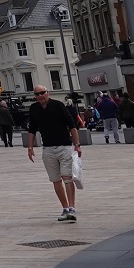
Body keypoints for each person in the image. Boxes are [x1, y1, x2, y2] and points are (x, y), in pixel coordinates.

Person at [25, 85, 82, 222]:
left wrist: (77, 145)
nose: (40, 96)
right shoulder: (34, 108)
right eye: (37, 94)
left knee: (67, 177)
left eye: (42, 93)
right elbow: (32, 128)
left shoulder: (58, 105)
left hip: (64, 146)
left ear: (47, 93)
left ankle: (72, 209)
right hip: (48, 148)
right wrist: (30, 147)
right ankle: (65, 208)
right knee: (55, 180)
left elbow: (72, 125)